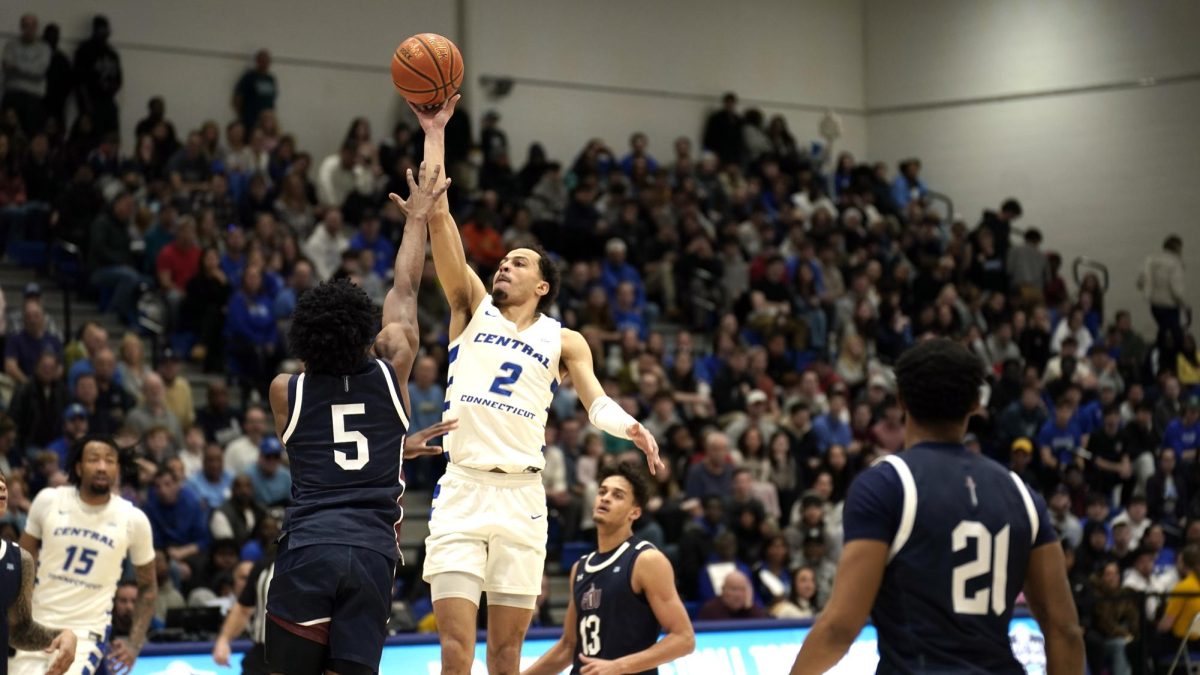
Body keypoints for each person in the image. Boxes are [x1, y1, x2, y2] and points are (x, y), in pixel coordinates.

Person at [405, 96, 663, 675]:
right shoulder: (471, 306)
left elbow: (594, 404)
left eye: (519, 264)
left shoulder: (564, 340)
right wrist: (435, 132)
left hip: (522, 497)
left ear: (543, 286)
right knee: (453, 650)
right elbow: (441, 217)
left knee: (505, 655)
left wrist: (632, 428)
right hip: (463, 489)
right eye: (503, 261)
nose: (504, 266)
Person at [263, 163, 456, 675]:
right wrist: (416, 220)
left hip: (310, 545)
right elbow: (406, 291)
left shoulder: (286, 391)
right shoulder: (393, 370)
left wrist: (395, 445)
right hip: (372, 552)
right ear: (364, 331)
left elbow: (322, 436)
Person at [791, 338, 1084, 674]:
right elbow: (1065, 631)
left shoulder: (887, 484)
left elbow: (840, 627)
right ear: (975, 403)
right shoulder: (1022, 494)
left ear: (900, 399)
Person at [522, 461, 694, 674]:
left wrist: (619, 666)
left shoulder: (646, 560)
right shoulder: (580, 567)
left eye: (618, 495)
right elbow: (569, 646)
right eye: (602, 492)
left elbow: (684, 638)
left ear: (635, 513)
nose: (605, 498)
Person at [13, 437, 157, 675]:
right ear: (79, 467)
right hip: (35, 625)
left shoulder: (133, 519)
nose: (102, 466)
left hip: (85, 632)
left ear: (118, 469)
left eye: (110, 460)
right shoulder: (49, 500)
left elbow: (149, 587)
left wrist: (134, 643)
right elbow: (18, 565)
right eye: (94, 459)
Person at [1, 471, 79, 675]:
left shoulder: (20, 559)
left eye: (2, 482)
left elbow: (19, 630)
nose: (1, 486)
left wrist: (60, 636)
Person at [213, 556, 275, 675]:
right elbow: (243, 608)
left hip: (301, 654)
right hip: (262, 654)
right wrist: (224, 640)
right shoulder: (266, 563)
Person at [1139, 235, 1187, 366]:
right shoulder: (1175, 262)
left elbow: (1141, 280)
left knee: (1163, 331)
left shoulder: (1152, 259)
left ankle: (1158, 359)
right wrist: (1184, 304)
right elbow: (1176, 288)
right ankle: (1173, 363)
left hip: (1155, 304)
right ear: (1177, 247)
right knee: (1177, 336)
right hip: (1170, 305)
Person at [2, 14, 51, 135]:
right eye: (25, 26)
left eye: (32, 26)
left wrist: (17, 67)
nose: (28, 29)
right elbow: (7, 67)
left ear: (36, 28)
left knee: (32, 134)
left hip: (33, 99)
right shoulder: (11, 46)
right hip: (12, 96)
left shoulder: (44, 48)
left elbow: (39, 71)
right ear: (21, 27)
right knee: (7, 133)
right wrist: (29, 69)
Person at [233, 50, 277, 133]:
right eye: (262, 60)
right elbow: (237, 98)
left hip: (267, 123)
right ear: (257, 61)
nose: (265, 63)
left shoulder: (271, 79)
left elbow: (272, 100)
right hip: (250, 121)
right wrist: (242, 117)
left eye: (267, 61)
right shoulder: (249, 77)